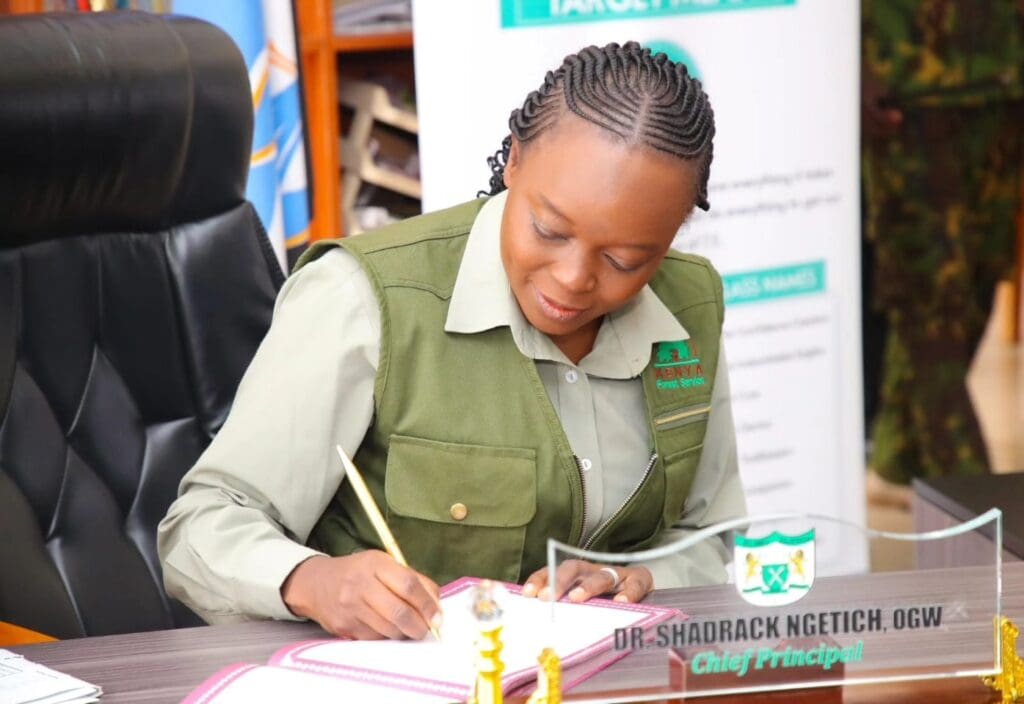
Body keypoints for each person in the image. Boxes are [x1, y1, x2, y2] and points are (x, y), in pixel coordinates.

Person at [158, 42, 746, 641]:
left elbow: (710, 538)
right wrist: (312, 581)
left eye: (625, 259)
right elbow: (201, 526)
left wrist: (636, 578)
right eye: (548, 229)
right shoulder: (363, 297)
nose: (573, 278)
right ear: (513, 161)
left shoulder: (689, 306)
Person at [862, 1, 1024, 485]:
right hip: (908, 87)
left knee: (979, 281)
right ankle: (977, 500)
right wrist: (849, 66)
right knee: (929, 296)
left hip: (1003, 78)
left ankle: (897, 455)